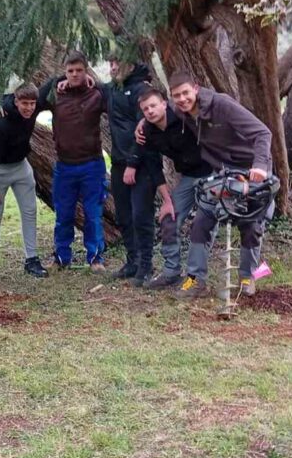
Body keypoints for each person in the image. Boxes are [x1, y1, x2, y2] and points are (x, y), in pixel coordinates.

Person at [158, 71, 274, 298]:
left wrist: (259, 165)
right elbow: (160, 112)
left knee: (250, 225)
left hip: (251, 172)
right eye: (176, 95)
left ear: (196, 88)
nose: (182, 99)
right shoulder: (181, 112)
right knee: (201, 221)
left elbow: (263, 132)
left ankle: (247, 277)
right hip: (222, 173)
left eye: (185, 93)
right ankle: (195, 280)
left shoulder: (221, 104)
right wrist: (143, 122)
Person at [35, 51, 109, 270]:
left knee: (93, 214)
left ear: (86, 71)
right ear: (64, 72)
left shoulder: (97, 93)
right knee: (63, 214)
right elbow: (31, 100)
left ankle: (95, 258)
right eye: (70, 71)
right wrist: (57, 81)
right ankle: (61, 257)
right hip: (65, 166)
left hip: (92, 165)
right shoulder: (56, 93)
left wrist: (97, 83)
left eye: (79, 71)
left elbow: (117, 99)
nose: (75, 75)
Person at [133, 88, 213, 289]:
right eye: (145, 109)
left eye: (153, 105)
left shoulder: (184, 116)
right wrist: (167, 201)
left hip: (213, 174)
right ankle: (171, 273)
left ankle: (195, 280)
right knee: (169, 219)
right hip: (188, 177)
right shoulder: (147, 132)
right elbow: (153, 167)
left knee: (201, 226)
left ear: (164, 104)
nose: (150, 111)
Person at [100, 55, 162, 286]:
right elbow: (90, 88)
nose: (113, 67)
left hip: (142, 164)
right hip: (118, 163)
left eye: (118, 63)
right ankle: (132, 261)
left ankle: (146, 265)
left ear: (132, 64)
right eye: (111, 64)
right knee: (124, 215)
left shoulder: (141, 91)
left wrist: (133, 164)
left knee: (141, 215)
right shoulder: (113, 90)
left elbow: (144, 128)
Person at [0, 83, 49, 280]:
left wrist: (61, 80)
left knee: (29, 211)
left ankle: (31, 259)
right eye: (24, 103)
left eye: (32, 103)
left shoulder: (34, 107)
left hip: (21, 167)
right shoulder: (0, 126)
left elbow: (49, 85)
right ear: (16, 101)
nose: (29, 107)